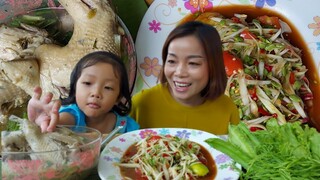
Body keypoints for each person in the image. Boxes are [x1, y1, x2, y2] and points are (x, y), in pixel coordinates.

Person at [130, 21, 240, 135]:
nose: (179, 72)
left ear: (213, 66)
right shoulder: (141, 104)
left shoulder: (227, 110)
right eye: (172, 61)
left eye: (193, 63)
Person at [27, 51, 139, 134]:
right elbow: (56, 122)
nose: (96, 93)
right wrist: (44, 120)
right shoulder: (72, 116)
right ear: (75, 88)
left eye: (108, 87)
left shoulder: (128, 127)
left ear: (118, 97)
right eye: (87, 83)